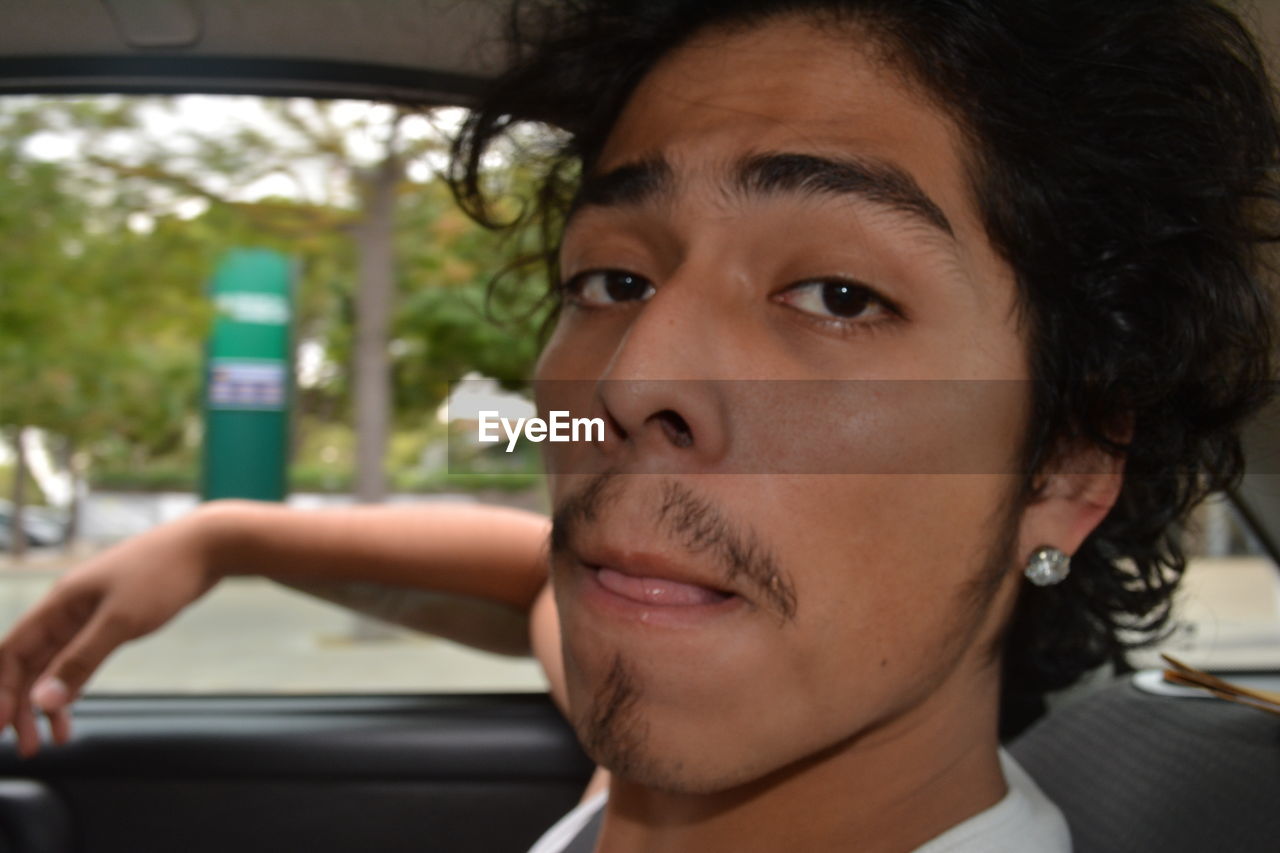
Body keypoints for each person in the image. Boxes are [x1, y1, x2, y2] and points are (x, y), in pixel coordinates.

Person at [4, 0, 1279, 850]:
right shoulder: (648, 754)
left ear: (1062, 466)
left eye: (835, 296)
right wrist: (228, 536)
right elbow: (552, 579)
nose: (627, 380)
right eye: (612, 279)